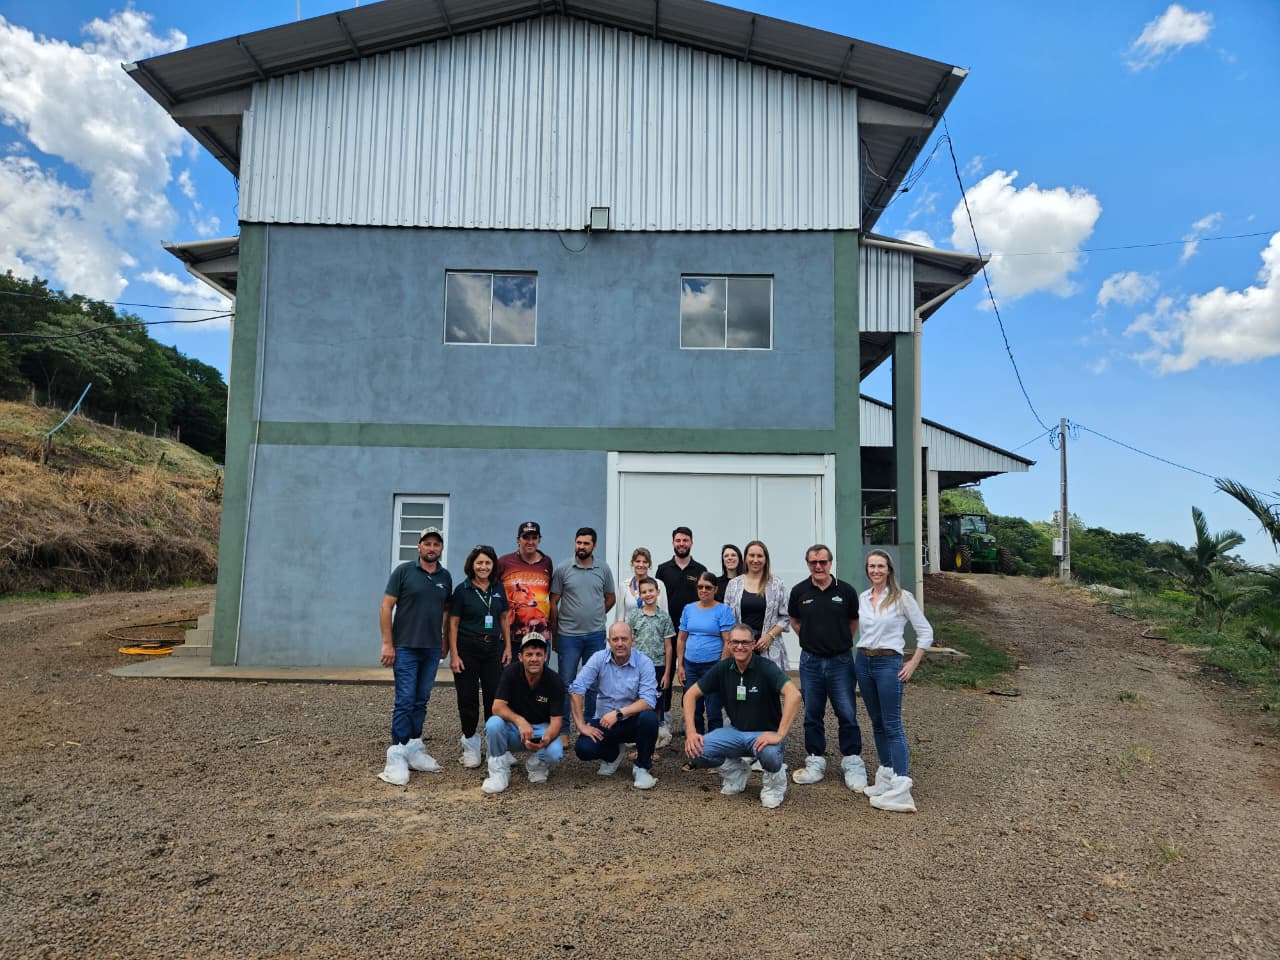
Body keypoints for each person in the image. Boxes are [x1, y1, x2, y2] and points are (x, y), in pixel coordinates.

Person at [682, 623, 802, 808]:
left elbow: (794, 695)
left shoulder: (766, 667)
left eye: (745, 642)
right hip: (735, 731)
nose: (740, 647)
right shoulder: (723, 668)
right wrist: (691, 732)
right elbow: (690, 694)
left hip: (765, 734)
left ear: (753, 644)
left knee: (770, 756)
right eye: (735, 642)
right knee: (696, 751)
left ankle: (774, 785)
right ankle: (736, 771)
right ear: (728, 644)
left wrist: (779, 734)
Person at [856, 549, 934, 813]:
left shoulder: (902, 598)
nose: (875, 570)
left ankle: (901, 789)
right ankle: (886, 777)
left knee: (892, 724)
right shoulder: (863, 598)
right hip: (863, 662)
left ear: (889, 569)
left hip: (889, 663)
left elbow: (926, 632)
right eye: (871, 566)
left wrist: (913, 663)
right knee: (877, 723)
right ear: (867, 570)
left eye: (880, 566)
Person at [787, 543, 867, 791]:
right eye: (813, 562)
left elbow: (853, 621)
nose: (818, 566)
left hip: (840, 661)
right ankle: (815, 761)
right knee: (812, 713)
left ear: (830, 563)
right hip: (810, 661)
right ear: (808, 564)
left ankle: (852, 762)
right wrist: (812, 640)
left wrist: (838, 641)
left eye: (823, 562)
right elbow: (795, 621)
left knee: (846, 713)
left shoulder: (846, 591)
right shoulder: (799, 591)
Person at [377, 526, 452, 785]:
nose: (432, 548)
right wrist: (388, 643)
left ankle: (413, 747)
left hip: (431, 649)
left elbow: (445, 612)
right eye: (427, 544)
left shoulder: (445, 577)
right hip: (406, 647)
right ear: (419, 547)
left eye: (436, 544)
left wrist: (444, 641)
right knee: (405, 699)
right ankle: (396, 754)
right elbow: (386, 607)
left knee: (421, 699)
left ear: (441, 548)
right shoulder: (404, 572)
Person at [569, 621, 659, 789]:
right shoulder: (599, 658)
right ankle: (613, 754)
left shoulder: (644, 662)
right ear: (608, 641)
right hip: (605, 722)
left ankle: (642, 767)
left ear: (633, 640)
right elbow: (576, 689)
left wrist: (619, 713)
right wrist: (581, 725)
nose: (620, 643)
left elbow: (649, 700)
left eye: (624, 639)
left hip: (631, 721)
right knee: (583, 749)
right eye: (615, 639)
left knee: (649, 719)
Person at [448, 544, 511, 768]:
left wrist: (508, 647)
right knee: (468, 697)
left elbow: (504, 618)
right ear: (472, 565)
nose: (483, 567)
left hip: (493, 647)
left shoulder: (498, 587)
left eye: (487, 562)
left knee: (495, 698)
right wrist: (454, 655)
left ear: (493, 565)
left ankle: (496, 746)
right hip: (467, 647)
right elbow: (453, 624)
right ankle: (470, 744)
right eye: (479, 563)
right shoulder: (462, 590)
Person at [481, 632, 565, 794]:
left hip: (541, 729)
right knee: (493, 724)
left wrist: (546, 739)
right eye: (529, 654)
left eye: (538, 654)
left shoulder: (555, 681)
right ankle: (498, 772)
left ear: (545, 657)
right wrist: (520, 721)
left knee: (555, 752)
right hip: (514, 729)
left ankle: (536, 764)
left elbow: (556, 722)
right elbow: (497, 707)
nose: (534, 659)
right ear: (520, 657)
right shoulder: (510, 673)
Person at [549, 527, 616, 727]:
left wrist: (596, 613)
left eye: (586, 543)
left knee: (594, 683)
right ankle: (563, 728)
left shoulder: (603, 569)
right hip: (568, 636)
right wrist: (555, 634)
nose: (581, 546)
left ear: (593, 545)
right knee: (566, 683)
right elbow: (553, 602)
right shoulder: (563, 569)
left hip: (595, 635)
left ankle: (590, 724)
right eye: (579, 542)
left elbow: (611, 598)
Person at [675, 570, 735, 736]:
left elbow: (728, 641)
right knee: (694, 708)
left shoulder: (723, 610)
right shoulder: (689, 609)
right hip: (691, 666)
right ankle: (698, 746)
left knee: (714, 708)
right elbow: (681, 639)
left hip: (712, 666)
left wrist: (721, 666)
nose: (703, 590)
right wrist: (680, 665)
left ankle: (715, 748)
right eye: (700, 587)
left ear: (715, 589)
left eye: (708, 587)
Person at [723, 539, 791, 671]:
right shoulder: (733, 584)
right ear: (745, 558)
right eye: (751, 555)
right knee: (741, 688)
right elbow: (727, 618)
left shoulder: (777, 584)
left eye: (759, 556)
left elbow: (786, 617)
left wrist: (769, 636)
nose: (755, 560)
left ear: (766, 559)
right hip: (740, 647)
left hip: (768, 646)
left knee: (769, 688)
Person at [625, 576, 676, 746]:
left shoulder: (664, 618)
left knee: (655, 704)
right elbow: (628, 643)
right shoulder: (633, 617)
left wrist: (667, 673)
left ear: (658, 592)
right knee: (636, 700)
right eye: (644, 592)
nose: (648, 594)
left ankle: (653, 739)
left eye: (651, 591)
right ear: (639, 595)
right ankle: (635, 736)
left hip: (658, 667)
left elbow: (669, 646)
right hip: (637, 667)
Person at [497, 521, 554, 647]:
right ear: (518, 540)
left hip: (539, 637)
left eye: (534, 538)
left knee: (538, 668)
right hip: (509, 638)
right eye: (526, 538)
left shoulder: (547, 562)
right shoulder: (504, 562)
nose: (530, 542)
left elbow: (547, 593)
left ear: (539, 540)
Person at [655, 526, 706, 630]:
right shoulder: (662, 569)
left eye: (685, 540)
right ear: (673, 543)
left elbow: (705, 598)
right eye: (678, 540)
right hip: (668, 626)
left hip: (694, 626)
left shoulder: (701, 570)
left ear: (691, 542)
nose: (681, 544)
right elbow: (657, 599)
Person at [615, 546, 670, 619]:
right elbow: (619, 615)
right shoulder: (624, 586)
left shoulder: (659, 585)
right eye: (638, 561)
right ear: (632, 563)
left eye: (645, 562)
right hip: (628, 629)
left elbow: (664, 612)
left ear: (649, 564)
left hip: (652, 629)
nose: (641, 565)